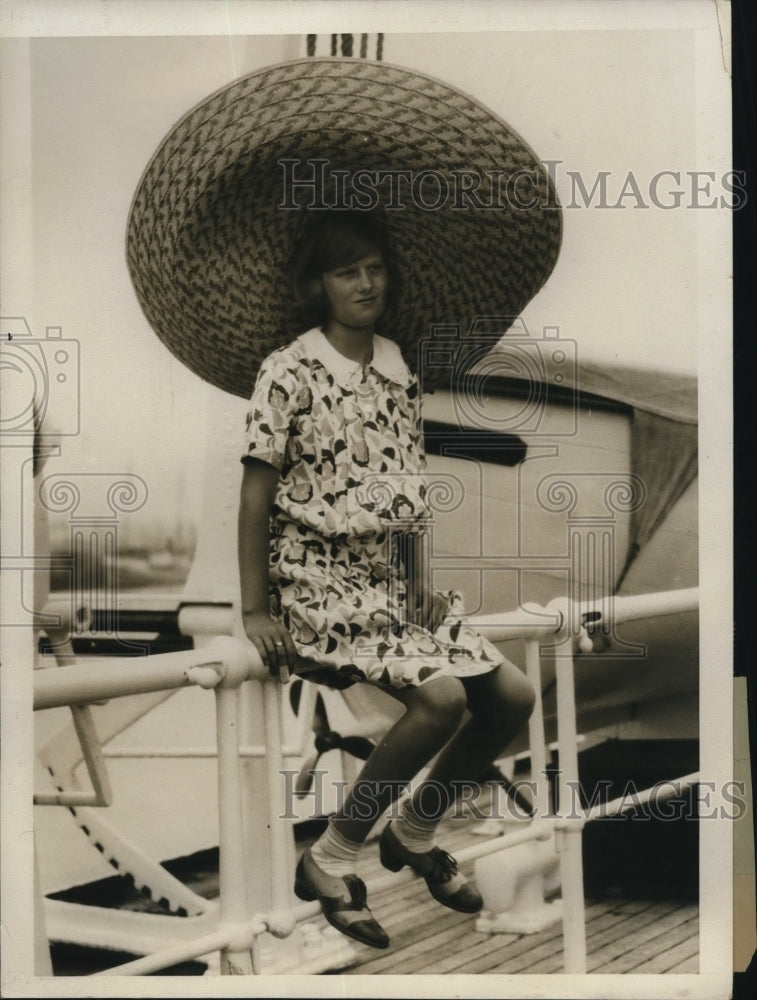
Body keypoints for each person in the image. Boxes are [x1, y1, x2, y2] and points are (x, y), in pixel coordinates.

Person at [238, 209, 535, 950]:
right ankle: (331, 857)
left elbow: (403, 491)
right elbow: (254, 496)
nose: (366, 283)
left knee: (511, 696)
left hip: (387, 580)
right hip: (315, 581)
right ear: (318, 286)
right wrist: (253, 610)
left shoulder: (399, 366)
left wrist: (417, 580)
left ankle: (414, 826)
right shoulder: (287, 369)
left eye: (373, 267)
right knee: (436, 701)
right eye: (347, 272)